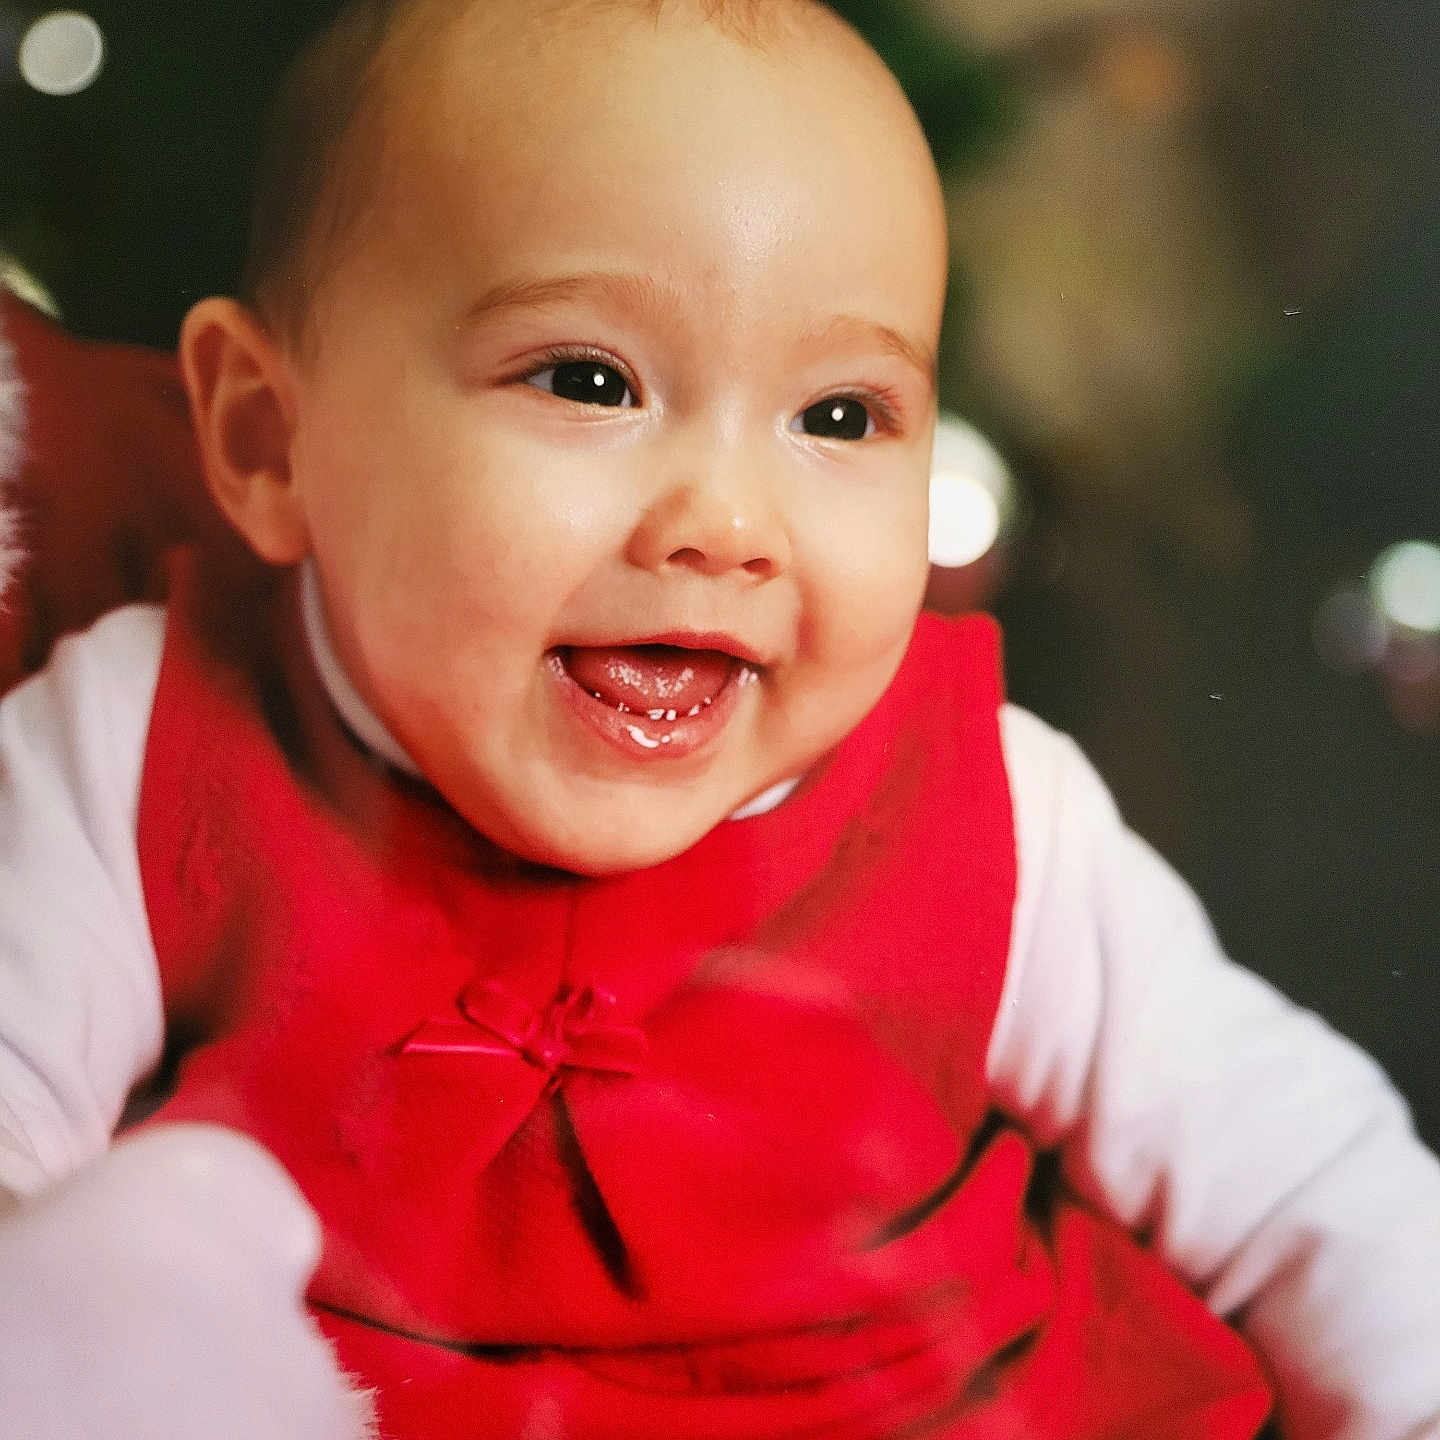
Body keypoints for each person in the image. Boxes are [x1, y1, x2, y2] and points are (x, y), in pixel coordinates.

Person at [0, 1, 1437, 1436]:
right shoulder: (147, 734)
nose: (728, 526)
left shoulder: (986, 806)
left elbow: (1305, 1173)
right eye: (588, 381)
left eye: (839, 418)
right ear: (267, 437)